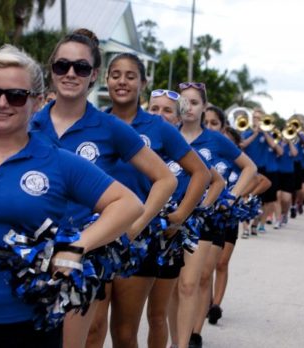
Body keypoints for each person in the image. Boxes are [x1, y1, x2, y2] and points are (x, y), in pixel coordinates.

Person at [0, 44, 144, 348]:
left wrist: (77, 246)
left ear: (36, 102)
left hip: (30, 321)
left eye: (16, 95)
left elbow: (128, 204)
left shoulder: (58, 161)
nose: (2, 103)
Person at [30, 30, 177, 348]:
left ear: (94, 74)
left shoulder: (111, 127)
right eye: (62, 66)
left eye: (81, 67)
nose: (70, 73)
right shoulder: (27, 124)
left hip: (82, 255)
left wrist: (135, 225)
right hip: (26, 253)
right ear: (51, 69)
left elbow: (166, 179)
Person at [87, 54, 208, 348]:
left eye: (131, 76)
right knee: (92, 328)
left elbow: (201, 174)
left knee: (125, 333)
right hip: (95, 236)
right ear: (106, 79)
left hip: (137, 239)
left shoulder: (159, 127)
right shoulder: (92, 122)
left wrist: (178, 217)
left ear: (143, 82)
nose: (122, 81)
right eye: (116, 75)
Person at [169, 82, 256, 348]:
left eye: (194, 103)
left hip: (201, 221)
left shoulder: (216, 139)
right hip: (169, 219)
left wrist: (229, 198)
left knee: (189, 284)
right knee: (171, 288)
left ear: (204, 107)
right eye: (184, 102)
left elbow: (249, 168)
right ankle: (174, 338)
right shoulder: (168, 134)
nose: (189, 108)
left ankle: (185, 342)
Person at [145, 89, 216, 348]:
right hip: (137, 236)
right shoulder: (137, 145)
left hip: (171, 236)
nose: (160, 115)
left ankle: (181, 344)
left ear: (177, 119)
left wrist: (187, 212)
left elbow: (214, 180)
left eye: (167, 111)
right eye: (154, 109)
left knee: (162, 309)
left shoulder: (181, 149)